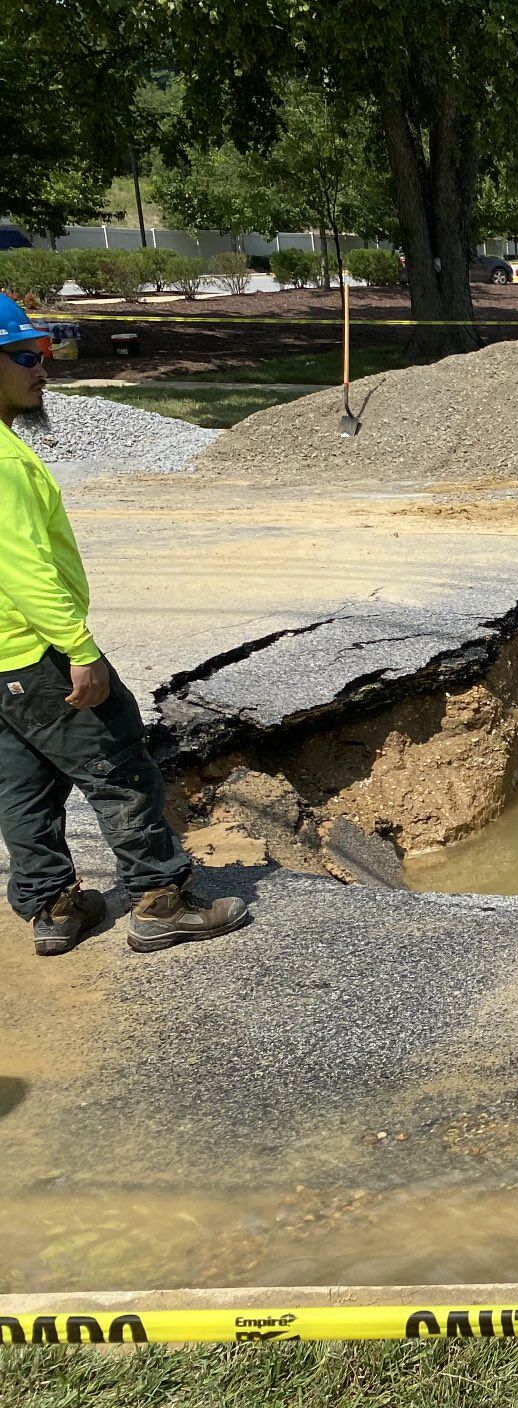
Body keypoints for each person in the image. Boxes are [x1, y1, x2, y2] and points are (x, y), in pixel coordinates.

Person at [0, 293, 249, 955]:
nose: (42, 368)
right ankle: (160, 898)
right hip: (37, 652)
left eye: (44, 352)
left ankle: (52, 907)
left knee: (23, 787)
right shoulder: (1, 462)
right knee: (120, 767)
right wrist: (78, 648)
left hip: (3, 668)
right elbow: (21, 567)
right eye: (24, 355)